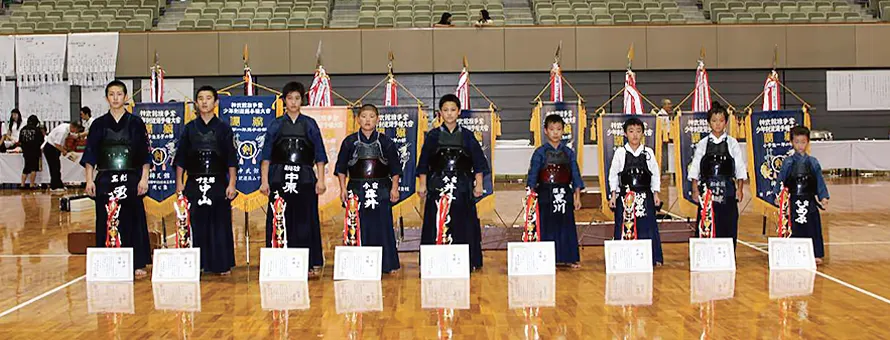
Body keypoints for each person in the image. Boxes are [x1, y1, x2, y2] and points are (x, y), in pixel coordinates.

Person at [81, 80, 152, 278]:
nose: (115, 98)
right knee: (107, 218)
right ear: (106, 98)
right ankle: (107, 260)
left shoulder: (136, 123)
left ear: (125, 97)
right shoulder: (98, 124)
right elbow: (90, 154)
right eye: (111, 94)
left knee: (133, 218)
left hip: (131, 177)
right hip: (105, 179)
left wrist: (143, 179)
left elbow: (144, 154)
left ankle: (137, 262)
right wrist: (89, 180)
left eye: (119, 94)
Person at [259, 81, 327, 277]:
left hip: (304, 177)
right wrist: (265, 181)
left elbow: (320, 155)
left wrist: (320, 180)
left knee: (306, 220)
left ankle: (309, 263)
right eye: (290, 98)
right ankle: (278, 262)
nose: (293, 102)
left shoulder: (310, 124)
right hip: (279, 177)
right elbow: (266, 155)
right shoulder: (276, 124)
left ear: (302, 100)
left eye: (297, 98)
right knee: (279, 218)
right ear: (284, 101)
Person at [417, 94, 490, 271]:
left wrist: (478, 184)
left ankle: (467, 260)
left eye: (453, 110)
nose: (449, 114)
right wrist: (423, 184)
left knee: (463, 222)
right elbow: (424, 163)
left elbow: (478, 162)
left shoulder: (467, 135)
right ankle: (433, 261)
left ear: (459, 112)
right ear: (440, 113)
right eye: (445, 110)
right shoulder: (433, 136)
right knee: (436, 221)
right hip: (438, 184)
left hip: (462, 185)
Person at [175, 86, 237, 275]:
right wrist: (179, 182)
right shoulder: (189, 128)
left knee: (219, 223)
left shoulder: (224, 128)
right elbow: (181, 158)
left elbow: (231, 159)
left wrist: (232, 183)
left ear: (215, 103)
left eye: (208, 98)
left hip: (218, 181)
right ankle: (197, 263)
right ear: (196, 103)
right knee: (196, 222)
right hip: (194, 181)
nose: (204, 102)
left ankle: (220, 264)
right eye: (200, 98)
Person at [334, 104, 402, 274]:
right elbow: (341, 168)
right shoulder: (349, 142)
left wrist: (394, 188)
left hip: (381, 189)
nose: (367, 120)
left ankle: (387, 264)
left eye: (371, 116)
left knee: (383, 226)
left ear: (377, 119)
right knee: (357, 226)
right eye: (364, 116)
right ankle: (357, 264)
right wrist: (343, 189)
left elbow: (395, 168)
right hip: (356, 189)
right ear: (358, 119)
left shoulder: (385, 142)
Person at [526, 114, 583, 268]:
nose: (555, 133)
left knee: (566, 225)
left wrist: (577, 196)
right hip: (545, 192)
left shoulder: (568, 152)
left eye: (559, 129)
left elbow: (575, 175)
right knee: (546, 224)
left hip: (564, 193)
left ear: (563, 130)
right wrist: (530, 194)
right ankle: (545, 257)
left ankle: (569, 257)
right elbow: (533, 174)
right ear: (546, 131)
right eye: (552, 129)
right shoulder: (540, 152)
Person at [688, 101, 747, 247]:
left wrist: (739, 189)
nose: (718, 124)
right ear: (709, 123)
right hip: (707, 188)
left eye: (721, 121)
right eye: (714, 121)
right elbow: (695, 166)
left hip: (727, 187)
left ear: (726, 122)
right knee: (706, 219)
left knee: (728, 220)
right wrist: (695, 189)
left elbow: (739, 167)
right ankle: (703, 252)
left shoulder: (732, 143)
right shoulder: (703, 143)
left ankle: (727, 253)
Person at [608, 117, 664, 266]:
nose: (635, 135)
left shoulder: (648, 152)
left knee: (647, 225)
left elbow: (655, 174)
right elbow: (613, 175)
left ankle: (651, 257)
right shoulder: (620, 152)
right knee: (624, 225)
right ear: (625, 134)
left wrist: (656, 194)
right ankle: (622, 257)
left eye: (638, 131)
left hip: (645, 195)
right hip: (625, 196)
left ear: (643, 133)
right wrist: (613, 195)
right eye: (631, 131)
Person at [774, 125, 829, 264]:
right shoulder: (788, 162)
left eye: (803, 142)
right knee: (794, 226)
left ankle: (816, 253)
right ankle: (793, 251)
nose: (800, 145)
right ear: (792, 142)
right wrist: (778, 196)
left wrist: (823, 197)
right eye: (797, 142)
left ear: (808, 142)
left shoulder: (813, 162)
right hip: (793, 200)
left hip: (808, 199)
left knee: (812, 226)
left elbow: (819, 180)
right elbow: (781, 180)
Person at [42, 121, 83, 193]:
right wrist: (63, 151)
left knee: (57, 166)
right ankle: (54, 186)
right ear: (73, 127)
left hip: (54, 148)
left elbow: (61, 142)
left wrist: (64, 149)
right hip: (50, 148)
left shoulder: (66, 127)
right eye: (76, 130)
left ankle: (59, 184)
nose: (75, 132)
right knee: (54, 167)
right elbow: (57, 144)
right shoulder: (63, 131)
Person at [18, 115, 43, 189]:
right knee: (33, 168)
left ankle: (22, 184)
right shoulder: (37, 130)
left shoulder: (23, 129)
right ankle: (31, 185)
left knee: (26, 168)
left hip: (26, 152)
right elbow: (41, 140)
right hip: (35, 151)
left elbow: (20, 141)